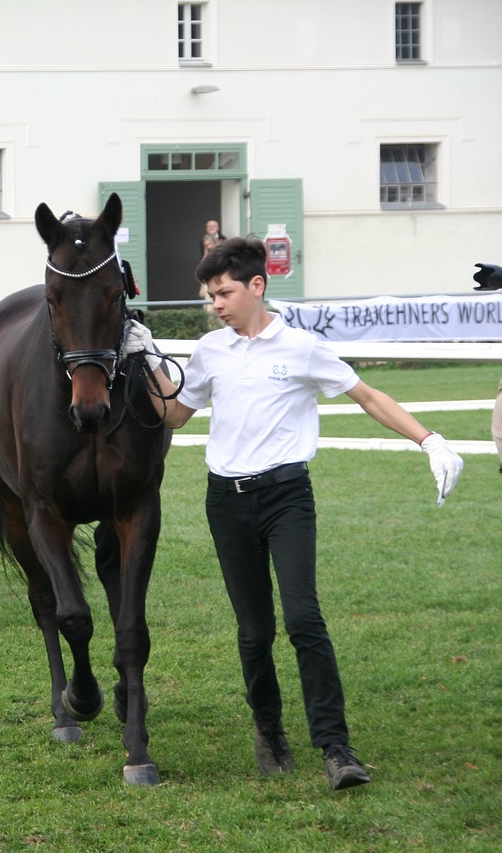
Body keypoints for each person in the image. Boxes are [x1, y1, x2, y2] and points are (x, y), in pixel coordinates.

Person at [121, 236, 465, 791]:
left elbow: (368, 396)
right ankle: (269, 728)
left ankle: (336, 748)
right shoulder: (210, 350)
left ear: (257, 286)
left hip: (287, 498)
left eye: (225, 292)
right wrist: (143, 359)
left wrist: (430, 440)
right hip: (225, 502)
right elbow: (175, 415)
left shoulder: (301, 347)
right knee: (255, 632)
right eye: (211, 295)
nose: (216, 304)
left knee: (305, 619)